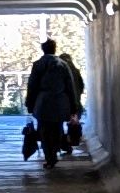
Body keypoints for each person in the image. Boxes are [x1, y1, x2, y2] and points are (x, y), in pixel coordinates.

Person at [21, 38, 84, 167]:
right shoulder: (63, 65)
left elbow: (32, 85)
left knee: (44, 130)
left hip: (43, 102)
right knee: (57, 129)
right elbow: (70, 86)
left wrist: (29, 103)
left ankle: (49, 157)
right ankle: (55, 152)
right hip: (60, 102)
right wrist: (74, 105)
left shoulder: (38, 64)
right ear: (55, 49)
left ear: (43, 50)